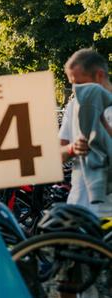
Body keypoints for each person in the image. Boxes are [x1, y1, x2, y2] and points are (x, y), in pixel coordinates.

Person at [59, 49, 112, 214]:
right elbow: (55, 156)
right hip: (79, 206)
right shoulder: (74, 106)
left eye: (80, 84)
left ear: (99, 75)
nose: (76, 90)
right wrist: (72, 149)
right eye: (73, 84)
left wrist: (101, 130)